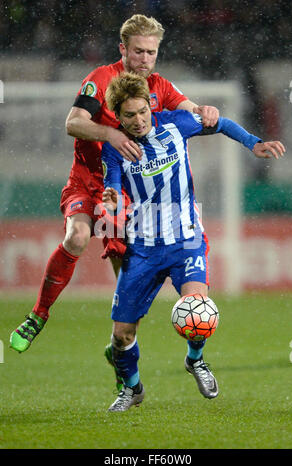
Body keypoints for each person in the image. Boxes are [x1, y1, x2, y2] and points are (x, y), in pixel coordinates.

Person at [9, 14, 219, 355]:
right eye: (138, 51)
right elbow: (73, 123)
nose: (145, 60)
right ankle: (38, 314)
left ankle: (122, 365)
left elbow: (192, 109)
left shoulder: (159, 86)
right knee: (76, 236)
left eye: (151, 52)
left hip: (124, 195)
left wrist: (206, 112)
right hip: (86, 181)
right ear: (123, 49)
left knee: (129, 289)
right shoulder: (100, 79)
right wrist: (110, 133)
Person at [100, 72, 285, 412]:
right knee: (121, 336)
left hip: (186, 241)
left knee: (198, 310)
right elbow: (111, 187)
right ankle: (132, 388)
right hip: (142, 248)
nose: (139, 120)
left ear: (150, 106)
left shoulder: (176, 123)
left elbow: (222, 123)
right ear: (118, 116)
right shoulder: (115, 148)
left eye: (143, 111)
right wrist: (110, 198)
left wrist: (253, 142)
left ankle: (195, 360)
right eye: (130, 115)